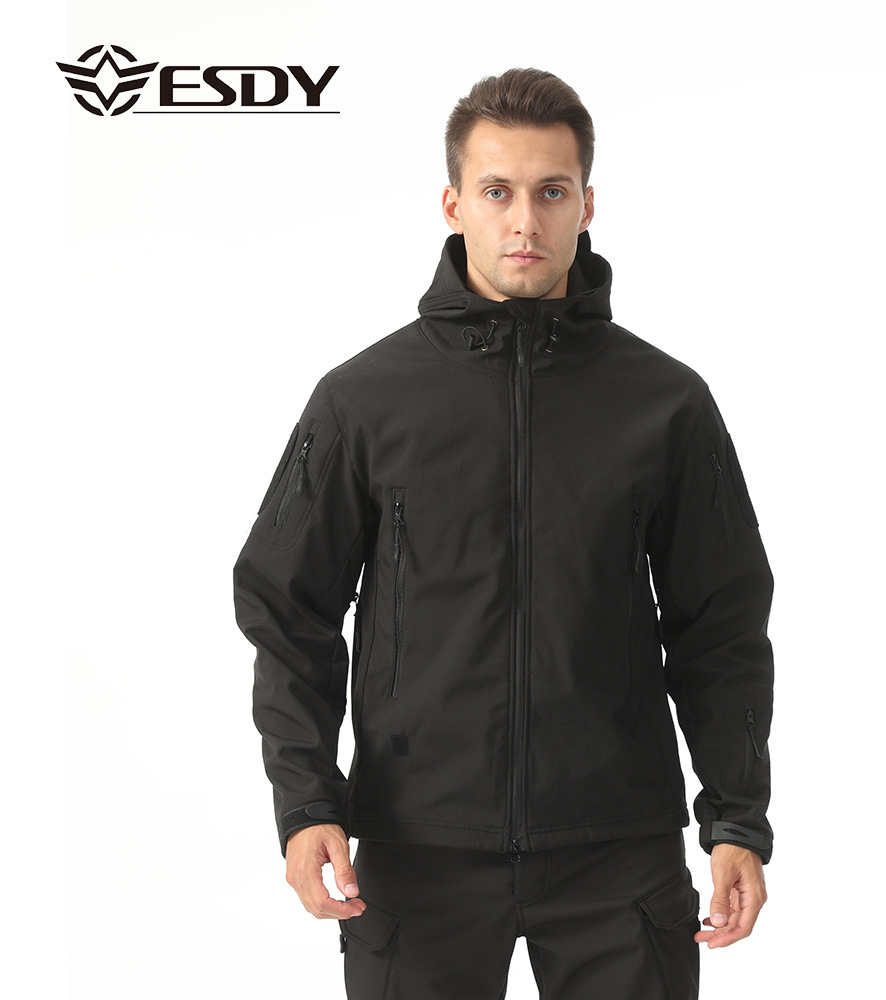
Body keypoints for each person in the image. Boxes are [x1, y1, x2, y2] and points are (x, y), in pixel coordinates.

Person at [233, 66, 775, 1000]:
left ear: (587, 204)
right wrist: (307, 801)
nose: (525, 221)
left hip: (618, 851)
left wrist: (735, 818)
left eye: (551, 192)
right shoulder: (363, 402)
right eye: (497, 192)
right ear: (454, 205)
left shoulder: (666, 403)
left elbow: (720, 623)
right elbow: (287, 607)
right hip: (418, 849)